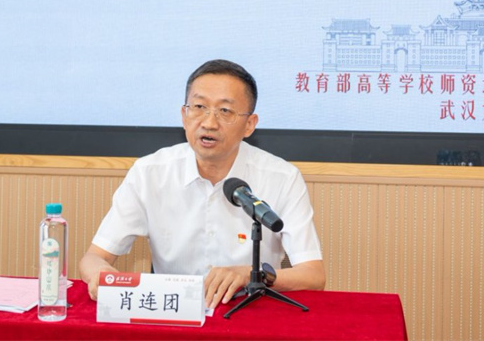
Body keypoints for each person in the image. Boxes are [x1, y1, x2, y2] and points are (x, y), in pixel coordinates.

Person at [78, 59, 325, 309]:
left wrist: (252, 275)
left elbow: (313, 276)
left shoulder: (282, 177)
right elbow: (93, 258)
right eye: (199, 107)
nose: (209, 123)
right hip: (172, 313)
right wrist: (102, 275)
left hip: (249, 310)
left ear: (249, 124)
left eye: (225, 111)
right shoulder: (149, 172)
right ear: (184, 116)